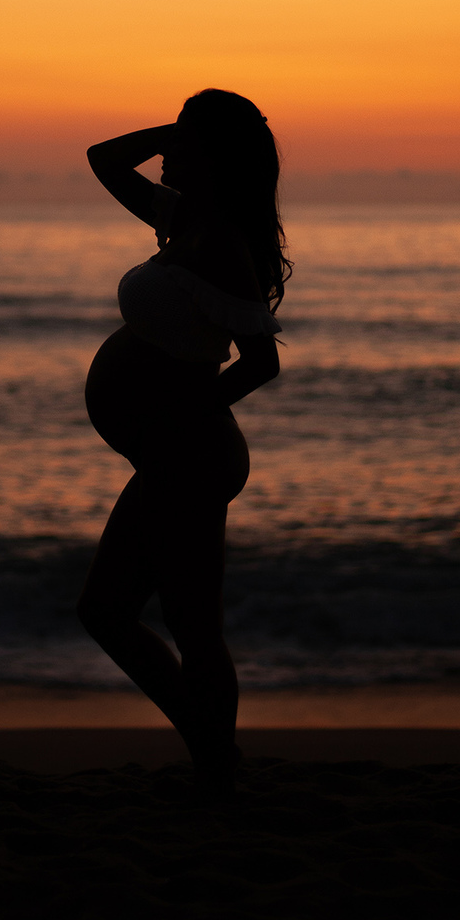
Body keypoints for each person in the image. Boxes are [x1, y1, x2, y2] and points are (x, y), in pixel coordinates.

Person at [78, 88, 290, 797]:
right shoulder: (184, 221)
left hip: (191, 455)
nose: (167, 150)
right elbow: (103, 160)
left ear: (210, 156)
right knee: (165, 617)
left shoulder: (222, 243)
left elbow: (261, 363)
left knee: (143, 616)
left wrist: (188, 413)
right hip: (178, 454)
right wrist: (176, 130)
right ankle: (214, 759)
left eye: (182, 139)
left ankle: (215, 759)